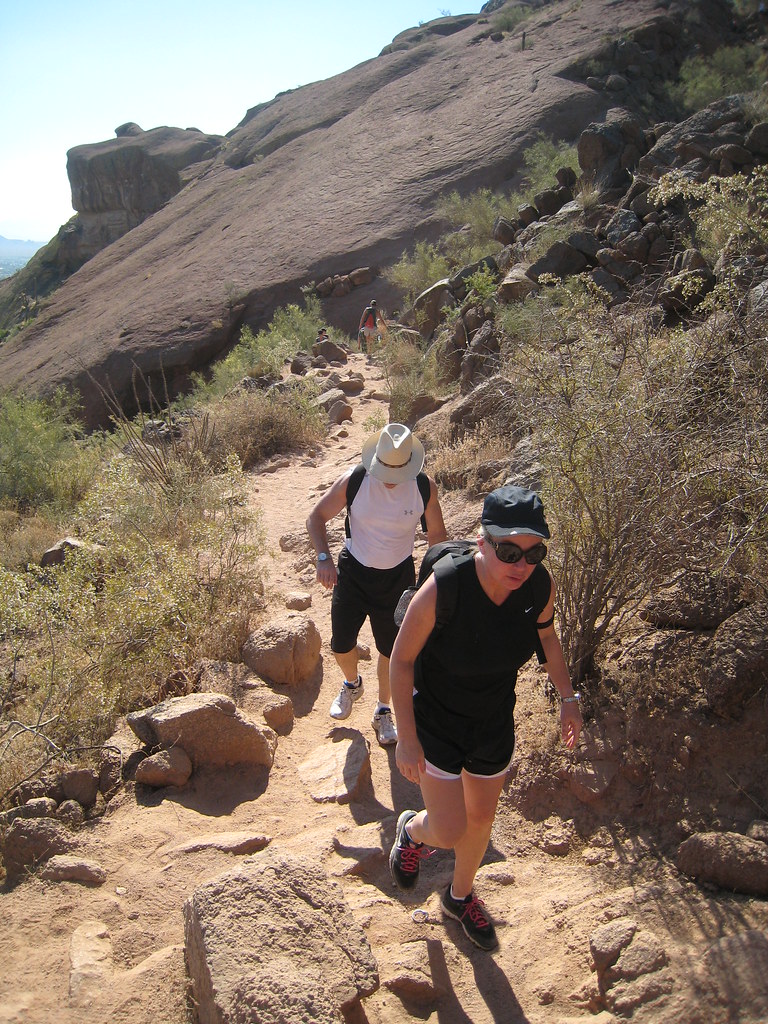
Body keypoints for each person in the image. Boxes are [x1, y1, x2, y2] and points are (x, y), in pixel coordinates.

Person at [388, 485, 582, 951]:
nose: (522, 564)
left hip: (492, 720)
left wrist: (568, 697)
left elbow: (548, 639)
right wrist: (407, 739)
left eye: (535, 552)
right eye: (510, 551)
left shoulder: (538, 587)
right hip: (437, 719)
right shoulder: (447, 586)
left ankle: (459, 896)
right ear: (483, 542)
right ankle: (413, 832)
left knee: (481, 819)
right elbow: (401, 661)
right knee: (449, 828)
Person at [306, 424, 447, 746]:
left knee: (389, 650)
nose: (389, 477)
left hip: (397, 579)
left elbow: (437, 536)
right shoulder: (355, 480)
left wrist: (433, 579)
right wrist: (323, 557)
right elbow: (316, 517)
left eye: (397, 470)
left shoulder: (424, 488)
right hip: (352, 573)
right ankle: (352, 684)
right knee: (341, 644)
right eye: (385, 469)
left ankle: (383, 710)